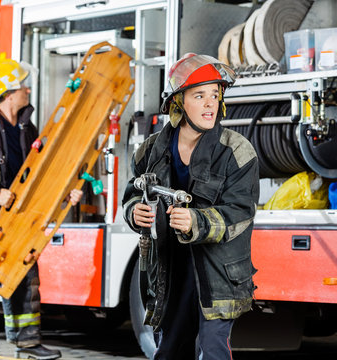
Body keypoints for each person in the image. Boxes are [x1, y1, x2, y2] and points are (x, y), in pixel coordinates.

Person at [122, 53, 259, 360]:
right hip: (170, 273)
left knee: (212, 351)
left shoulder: (236, 151)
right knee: (169, 351)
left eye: (215, 94)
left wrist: (196, 221)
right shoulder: (151, 150)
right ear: (178, 102)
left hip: (217, 275)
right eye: (200, 95)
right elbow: (133, 192)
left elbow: (241, 212)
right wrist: (134, 211)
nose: (211, 104)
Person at [0, 54, 82, 360]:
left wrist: (65, 197)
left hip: (18, 220)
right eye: (22, 85)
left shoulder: (26, 127)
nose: (28, 90)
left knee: (25, 280)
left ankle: (28, 343)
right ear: (8, 92)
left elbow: (37, 175)